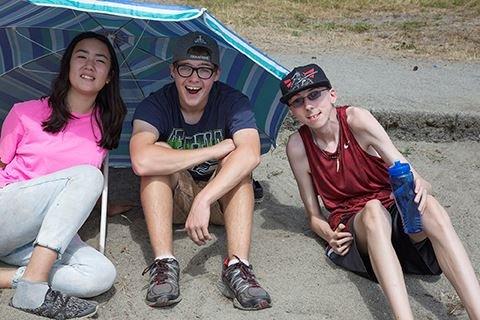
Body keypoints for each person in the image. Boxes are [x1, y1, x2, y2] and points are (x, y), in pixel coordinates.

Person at [282, 64, 480, 319]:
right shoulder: (298, 146)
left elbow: (415, 177)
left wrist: (421, 188)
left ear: (332, 94)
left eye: (314, 94)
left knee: (433, 208)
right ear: (292, 111)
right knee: (373, 211)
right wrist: (328, 235)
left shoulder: (357, 120)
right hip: (357, 227)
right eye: (297, 101)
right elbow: (313, 216)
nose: (308, 105)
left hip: (398, 218)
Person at [130, 31, 271, 310]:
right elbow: (141, 161)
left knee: (239, 164)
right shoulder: (155, 104)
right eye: (186, 68)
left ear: (216, 74)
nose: (194, 78)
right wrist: (212, 150)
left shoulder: (233, 101)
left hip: (220, 201)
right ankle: (164, 262)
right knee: (158, 156)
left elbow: (251, 153)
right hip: (175, 202)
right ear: (173, 71)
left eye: (204, 70)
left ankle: (238, 266)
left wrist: (205, 199)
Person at [0, 31, 126, 319]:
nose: (89, 65)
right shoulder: (25, 112)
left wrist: (101, 204)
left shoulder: (105, 127)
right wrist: (89, 184)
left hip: (41, 239)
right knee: (91, 177)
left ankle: (14, 276)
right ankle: (32, 289)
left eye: (100, 60)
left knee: (101, 275)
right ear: (68, 65)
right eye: (81, 56)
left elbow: (71, 189)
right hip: (7, 214)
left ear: (108, 77)